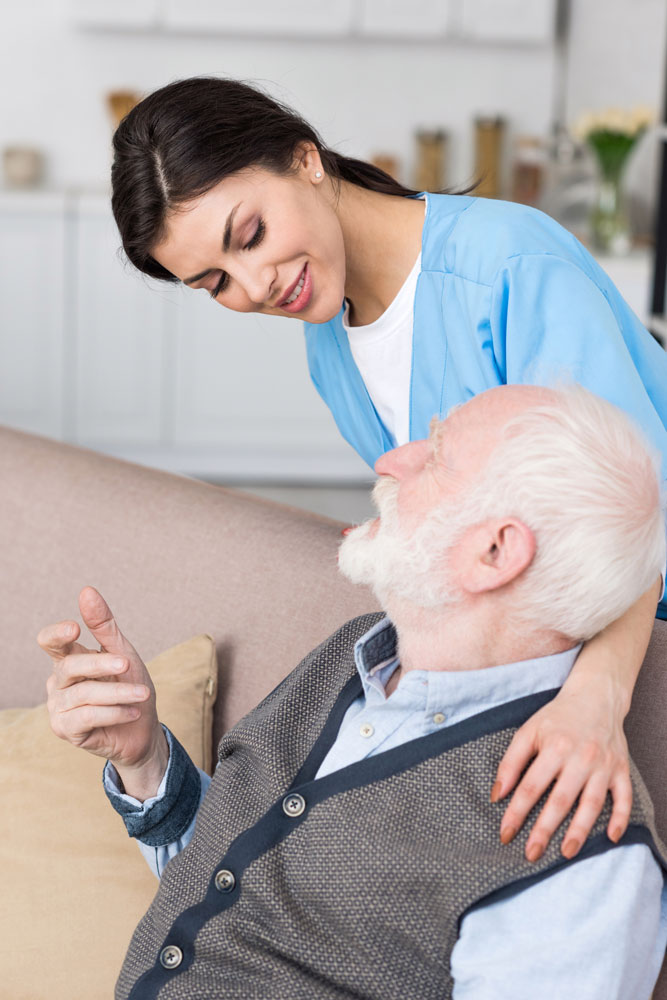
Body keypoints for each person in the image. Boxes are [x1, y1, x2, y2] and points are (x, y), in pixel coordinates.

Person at [109, 75, 667, 857]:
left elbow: (636, 515)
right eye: (215, 284)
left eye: (250, 235)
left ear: (304, 159)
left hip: (631, 633)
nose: (256, 286)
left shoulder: (508, 265)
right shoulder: (328, 345)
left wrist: (597, 702)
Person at [40, 384, 667, 999]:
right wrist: (145, 759)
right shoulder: (351, 651)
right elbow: (247, 881)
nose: (390, 461)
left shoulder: (579, 846)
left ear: (496, 551)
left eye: (437, 455)